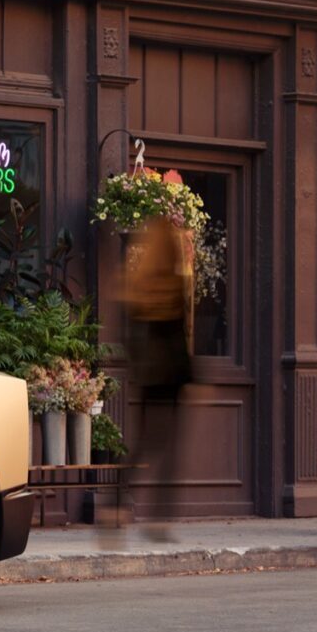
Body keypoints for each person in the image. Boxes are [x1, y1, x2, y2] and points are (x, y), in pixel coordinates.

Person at [123, 204, 195, 542]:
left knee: (144, 444)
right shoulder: (171, 282)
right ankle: (158, 521)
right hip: (170, 374)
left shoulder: (140, 288)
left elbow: (134, 336)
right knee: (167, 449)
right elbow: (178, 335)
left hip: (150, 374)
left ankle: (115, 507)